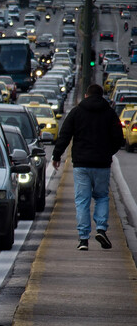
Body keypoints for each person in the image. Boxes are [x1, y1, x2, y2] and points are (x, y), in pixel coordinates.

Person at [52, 83, 124, 251]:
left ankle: (83, 239)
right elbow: (118, 139)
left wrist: (56, 156)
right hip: (102, 165)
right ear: (101, 96)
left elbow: (65, 135)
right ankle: (100, 228)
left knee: (82, 201)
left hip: (81, 165)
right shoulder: (109, 113)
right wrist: (107, 153)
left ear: (86, 95)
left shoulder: (76, 112)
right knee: (102, 197)